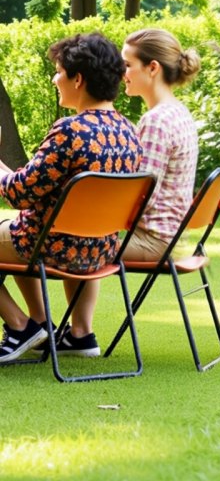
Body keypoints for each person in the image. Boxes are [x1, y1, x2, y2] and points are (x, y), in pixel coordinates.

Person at [0, 33, 141, 363]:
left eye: (59, 71)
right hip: (99, 251)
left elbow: (19, 193)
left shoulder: (69, 130)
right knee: (15, 229)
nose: (54, 78)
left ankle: (21, 327)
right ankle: (73, 333)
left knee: (15, 230)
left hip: (51, 247)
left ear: (78, 79)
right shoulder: (129, 131)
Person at [120, 28, 200, 264]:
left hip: (152, 242)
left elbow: (143, 195)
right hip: (172, 239)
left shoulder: (157, 121)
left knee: (69, 243)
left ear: (152, 68)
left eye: (127, 64)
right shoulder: (178, 112)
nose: (122, 72)